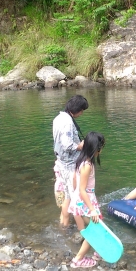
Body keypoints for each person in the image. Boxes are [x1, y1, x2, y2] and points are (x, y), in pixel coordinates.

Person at [68, 131, 105, 269]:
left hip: (81, 201)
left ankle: (97, 252)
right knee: (94, 231)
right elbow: (83, 189)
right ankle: (78, 260)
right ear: (96, 148)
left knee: (98, 226)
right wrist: (92, 209)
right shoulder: (87, 166)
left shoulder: (82, 161)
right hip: (85, 202)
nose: (101, 151)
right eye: (101, 148)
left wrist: (76, 198)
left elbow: (74, 181)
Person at [53, 95, 88, 227]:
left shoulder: (59, 117)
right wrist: (82, 145)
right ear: (77, 109)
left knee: (67, 195)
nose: (82, 113)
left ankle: (64, 224)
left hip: (61, 162)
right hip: (69, 165)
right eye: (82, 110)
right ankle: (82, 228)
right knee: (74, 196)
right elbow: (67, 145)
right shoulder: (67, 122)